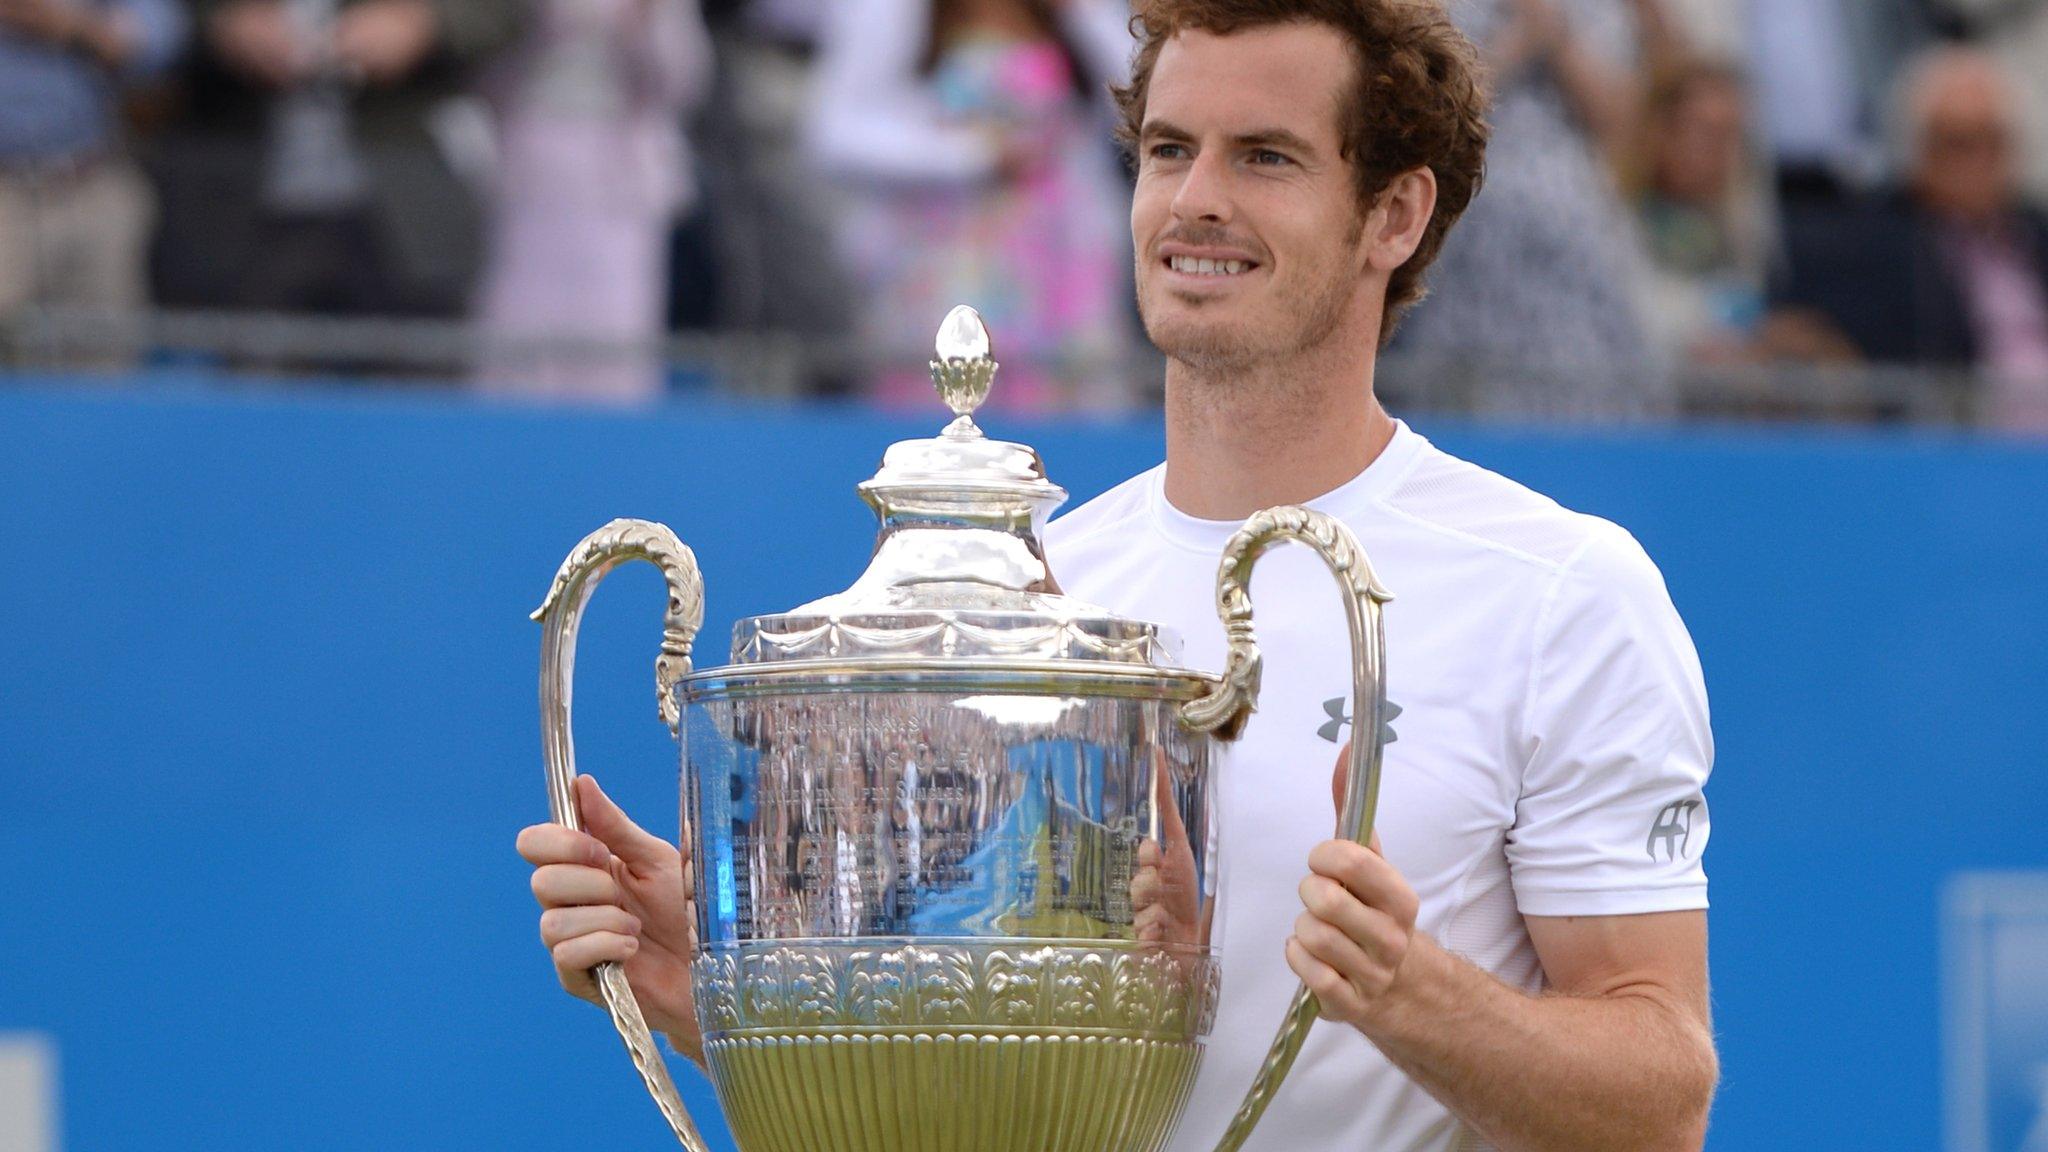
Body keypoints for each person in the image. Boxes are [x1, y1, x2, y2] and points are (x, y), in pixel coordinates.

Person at [520, 1, 1721, 1149]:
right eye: (1166, 149)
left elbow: (1659, 1102)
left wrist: (1412, 996)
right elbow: (983, 1094)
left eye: (1264, 158)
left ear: (1395, 216)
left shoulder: (1559, 592)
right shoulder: (1033, 598)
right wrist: (744, 1001)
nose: (1194, 202)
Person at [804, 0, 1143, 411]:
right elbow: (835, 134)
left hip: (1061, 263)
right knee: (949, 410)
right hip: (942, 264)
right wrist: (974, 156)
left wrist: (1082, 12)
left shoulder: (1070, 13)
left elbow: (1141, 100)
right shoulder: (895, 11)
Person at [151, 0, 531, 320]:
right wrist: (221, 19)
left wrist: (427, 21)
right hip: (236, 201)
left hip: (406, 203)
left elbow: (504, 10)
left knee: (412, 388)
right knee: (240, 391)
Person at [1392, 0, 1671, 419]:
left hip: (1571, 232)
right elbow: (1430, 112)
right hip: (1462, 229)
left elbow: (1620, 121)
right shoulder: (1440, 7)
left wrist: (1554, 33)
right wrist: (1518, 42)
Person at [1772, 47, 2048, 430]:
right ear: (1916, 147)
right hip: (1954, 454)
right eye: (1956, 142)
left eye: (1991, 140)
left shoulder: (2035, 235)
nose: (1976, 161)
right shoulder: (1865, 246)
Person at [471, 0, 715, 403]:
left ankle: (615, 453)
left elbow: (683, 81)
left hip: (620, 182)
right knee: (520, 331)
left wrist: (643, 19)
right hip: (530, 164)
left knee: (618, 337)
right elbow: (483, 55)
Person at [0, 0, 186, 322]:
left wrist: (71, 26)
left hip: (92, 179)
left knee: (103, 348)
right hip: (6, 189)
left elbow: (157, 43)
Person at [1626, 58, 1775, 364]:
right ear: (1658, 130)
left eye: (1731, 136)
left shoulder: (1739, 236)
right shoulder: (1614, 221)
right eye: (1704, 132)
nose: (1720, 152)